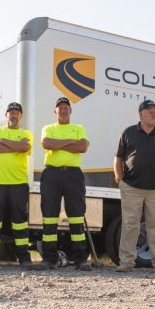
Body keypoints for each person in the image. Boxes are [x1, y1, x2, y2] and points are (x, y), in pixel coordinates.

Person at [113, 99, 155, 274]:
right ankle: (126, 262)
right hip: (131, 187)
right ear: (141, 114)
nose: (153, 113)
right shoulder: (129, 132)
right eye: (149, 110)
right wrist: (120, 179)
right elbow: (118, 158)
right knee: (130, 224)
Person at [0, 102, 33, 270]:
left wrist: (4, 143)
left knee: (20, 222)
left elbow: (25, 147)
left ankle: (24, 258)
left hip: (18, 183)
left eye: (17, 112)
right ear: (6, 115)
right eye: (11, 112)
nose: (14, 115)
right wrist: (14, 146)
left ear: (21, 116)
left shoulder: (26, 133)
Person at [40, 97, 91, 270]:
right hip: (51, 174)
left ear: (71, 111)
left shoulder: (79, 128)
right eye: (60, 108)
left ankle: (80, 260)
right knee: (49, 217)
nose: (63, 110)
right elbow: (46, 143)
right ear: (55, 111)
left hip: (73, 175)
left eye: (66, 107)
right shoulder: (48, 128)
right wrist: (70, 142)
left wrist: (58, 145)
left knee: (76, 216)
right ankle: (49, 259)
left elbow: (82, 147)